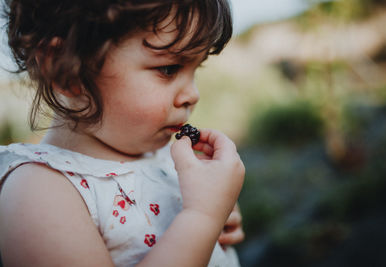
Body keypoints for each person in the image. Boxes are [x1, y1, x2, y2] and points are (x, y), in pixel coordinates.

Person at [0, 0, 245, 266]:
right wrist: (202, 218)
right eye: (169, 68)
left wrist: (218, 212)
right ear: (68, 69)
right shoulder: (39, 194)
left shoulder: (163, 156)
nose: (192, 95)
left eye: (196, 68)